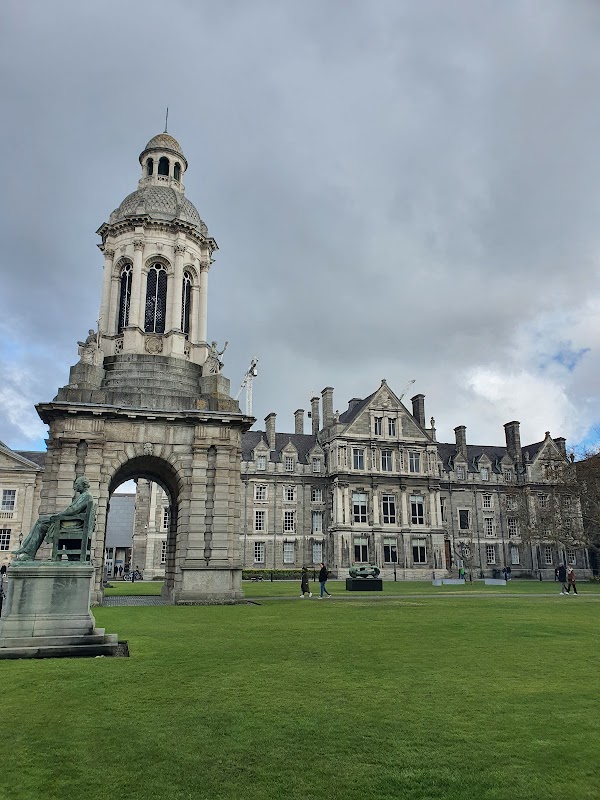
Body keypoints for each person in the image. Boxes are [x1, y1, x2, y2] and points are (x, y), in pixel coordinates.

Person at [13, 476, 93, 561]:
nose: (74, 486)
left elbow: (73, 510)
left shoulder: (86, 496)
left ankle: (28, 552)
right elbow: (73, 510)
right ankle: (27, 549)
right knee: (40, 522)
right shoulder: (84, 496)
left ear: (83, 484)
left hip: (72, 524)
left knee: (41, 524)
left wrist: (59, 515)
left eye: (76, 484)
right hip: (71, 522)